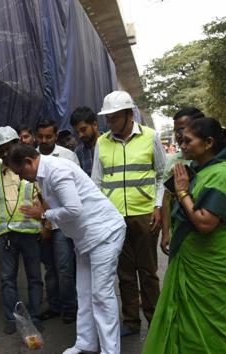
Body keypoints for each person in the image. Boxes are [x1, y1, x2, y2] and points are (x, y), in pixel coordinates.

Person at [142, 117, 226, 353]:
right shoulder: (196, 170)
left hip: (214, 261)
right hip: (191, 258)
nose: (182, 146)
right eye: (181, 141)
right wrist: (167, 228)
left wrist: (183, 192)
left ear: (208, 142)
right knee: (183, 324)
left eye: (187, 141)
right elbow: (167, 195)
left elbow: (205, 223)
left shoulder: (224, 175)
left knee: (212, 328)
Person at [5, 143, 126, 354]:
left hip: (104, 233)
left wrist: (43, 215)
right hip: (85, 238)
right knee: (85, 293)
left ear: (28, 162)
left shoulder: (56, 171)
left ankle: (111, 350)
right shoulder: (43, 174)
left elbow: (73, 209)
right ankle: (85, 342)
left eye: (20, 172)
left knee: (101, 295)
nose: (22, 177)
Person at [91, 90, 166, 336]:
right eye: (107, 118)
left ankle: (154, 320)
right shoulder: (102, 142)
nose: (109, 122)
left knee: (147, 271)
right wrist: (101, 218)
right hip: (114, 219)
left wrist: (157, 207)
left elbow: (161, 176)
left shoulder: (150, 137)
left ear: (128, 114)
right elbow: (97, 182)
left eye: (113, 117)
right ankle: (131, 321)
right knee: (124, 273)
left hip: (144, 215)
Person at [0, 126, 44, 335]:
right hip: (6, 235)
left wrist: (45, 220)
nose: (3, 154)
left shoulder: (30, 169)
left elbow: (44, 197)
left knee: (34, 276)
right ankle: (12, 319)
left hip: (30, 233)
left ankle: (36, 316)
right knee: (7, 279)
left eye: (6, 148)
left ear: (16, 145)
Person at [35, 119, 79, 323]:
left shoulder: (68, 156)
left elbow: (75, 190)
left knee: (64, 267)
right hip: (40, 223)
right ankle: (54, 306)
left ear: (55, 136)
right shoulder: (31, 158)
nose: (44, 140)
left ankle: (70, 307)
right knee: (49, 268)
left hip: (61, 222)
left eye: (48, 137)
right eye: (40, 136)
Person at [161, 107, 205, 255]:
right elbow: (167, 199)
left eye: (182, 130)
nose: (179, 136)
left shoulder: (215, 164)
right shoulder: (173, 161)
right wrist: (166, 232)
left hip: (206, 237)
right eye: (176, 131)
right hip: (181, 233)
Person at [70, 106, 100, 175]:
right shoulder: (78, 152)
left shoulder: (109, 143)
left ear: (95, 125)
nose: (80, 135)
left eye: (83, 130)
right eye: (77, 132)